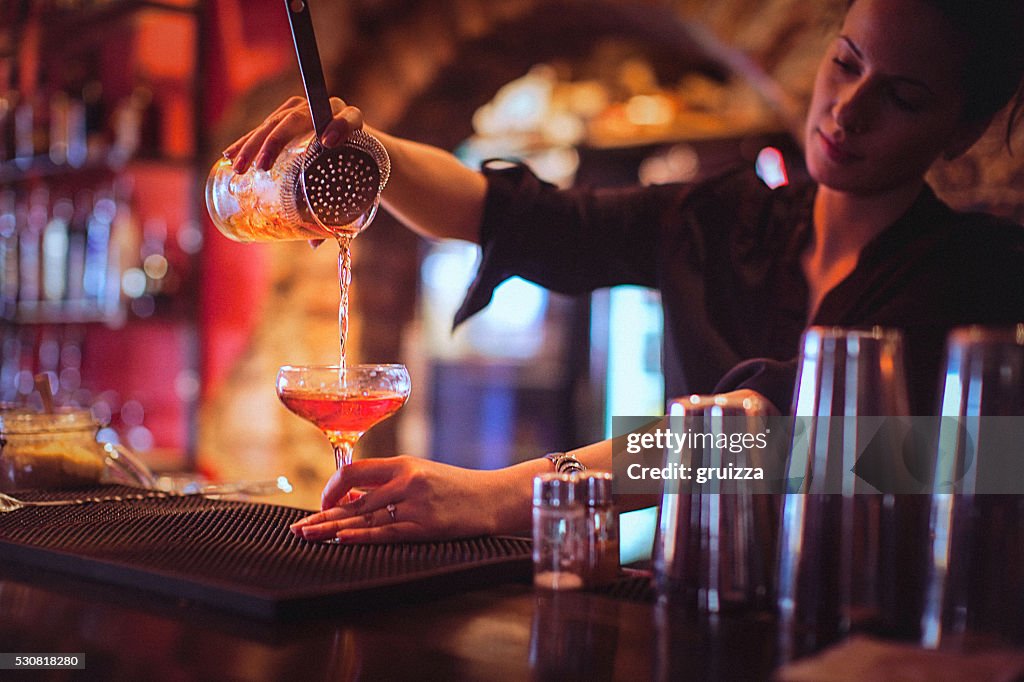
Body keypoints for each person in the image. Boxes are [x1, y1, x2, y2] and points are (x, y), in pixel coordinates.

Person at [223, 0, 1024, 543]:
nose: (850, 109)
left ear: (963, 130)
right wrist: (369, 150)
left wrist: (499, 495)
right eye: (846, 63)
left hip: (871, 641)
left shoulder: (980, 281)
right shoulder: (727, 218)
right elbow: (512, 217)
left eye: (905, 97)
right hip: (694, 606)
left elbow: (773, 441)